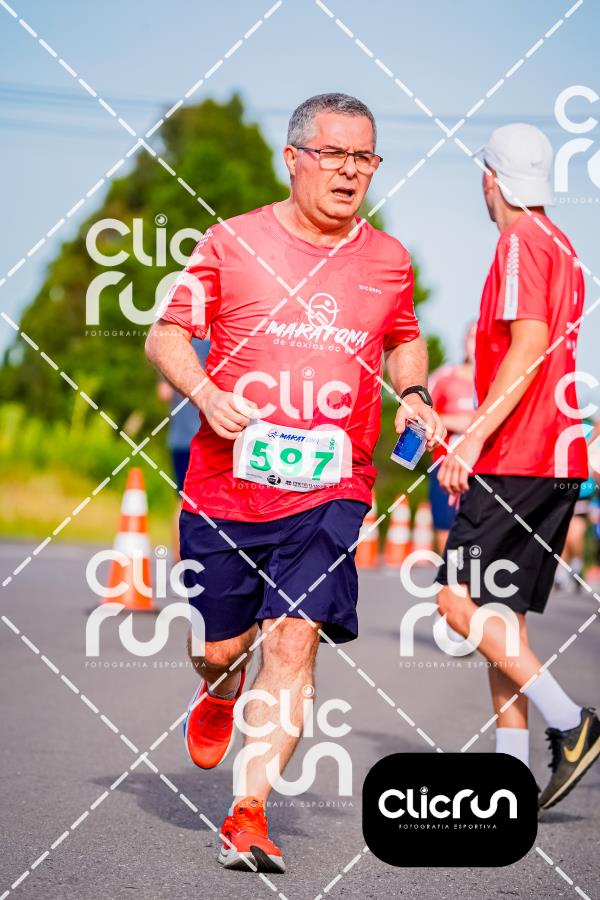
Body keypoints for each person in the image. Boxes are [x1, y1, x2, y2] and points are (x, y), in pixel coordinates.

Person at [145, 93, 445, 873]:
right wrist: (205, 392)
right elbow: (165, 334)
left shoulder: (388, 259)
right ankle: (219, 687)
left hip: (331, 485)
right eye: (335, 154)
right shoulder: (231, 242)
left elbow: (404, 338)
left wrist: (413, 394)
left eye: (365, 157)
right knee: (223, 647)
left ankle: (248, 813)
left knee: (292, 636)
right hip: (226, 486)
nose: (351, 171)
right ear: (294, 158)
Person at [436, 123, 600, 811]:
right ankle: (509, 775)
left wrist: (472, 437)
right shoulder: (563, 245)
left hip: (517, 456)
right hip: (556, 456)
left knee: (457, 602)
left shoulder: (518, 242)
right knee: (503, 618)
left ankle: (571, 722)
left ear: (490, 180)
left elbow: (528, 347)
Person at [157, 338, 211, 558]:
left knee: (182, 500)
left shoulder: (173, 346)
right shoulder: (219, 346)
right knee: (211, 502)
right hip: (209, 439)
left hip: (179, 438)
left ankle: (180, 559)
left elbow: (163, 393)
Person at [428, 322, 476, 552]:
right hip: (444, 465)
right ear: (464, 340)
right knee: (447, 531)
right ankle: (450, 571)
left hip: (483, 471)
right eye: (472, 337)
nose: (476, 344)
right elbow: (421, 415)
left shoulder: (499, 382)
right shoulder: (444, 378)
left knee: (479, 536)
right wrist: (458, 422)